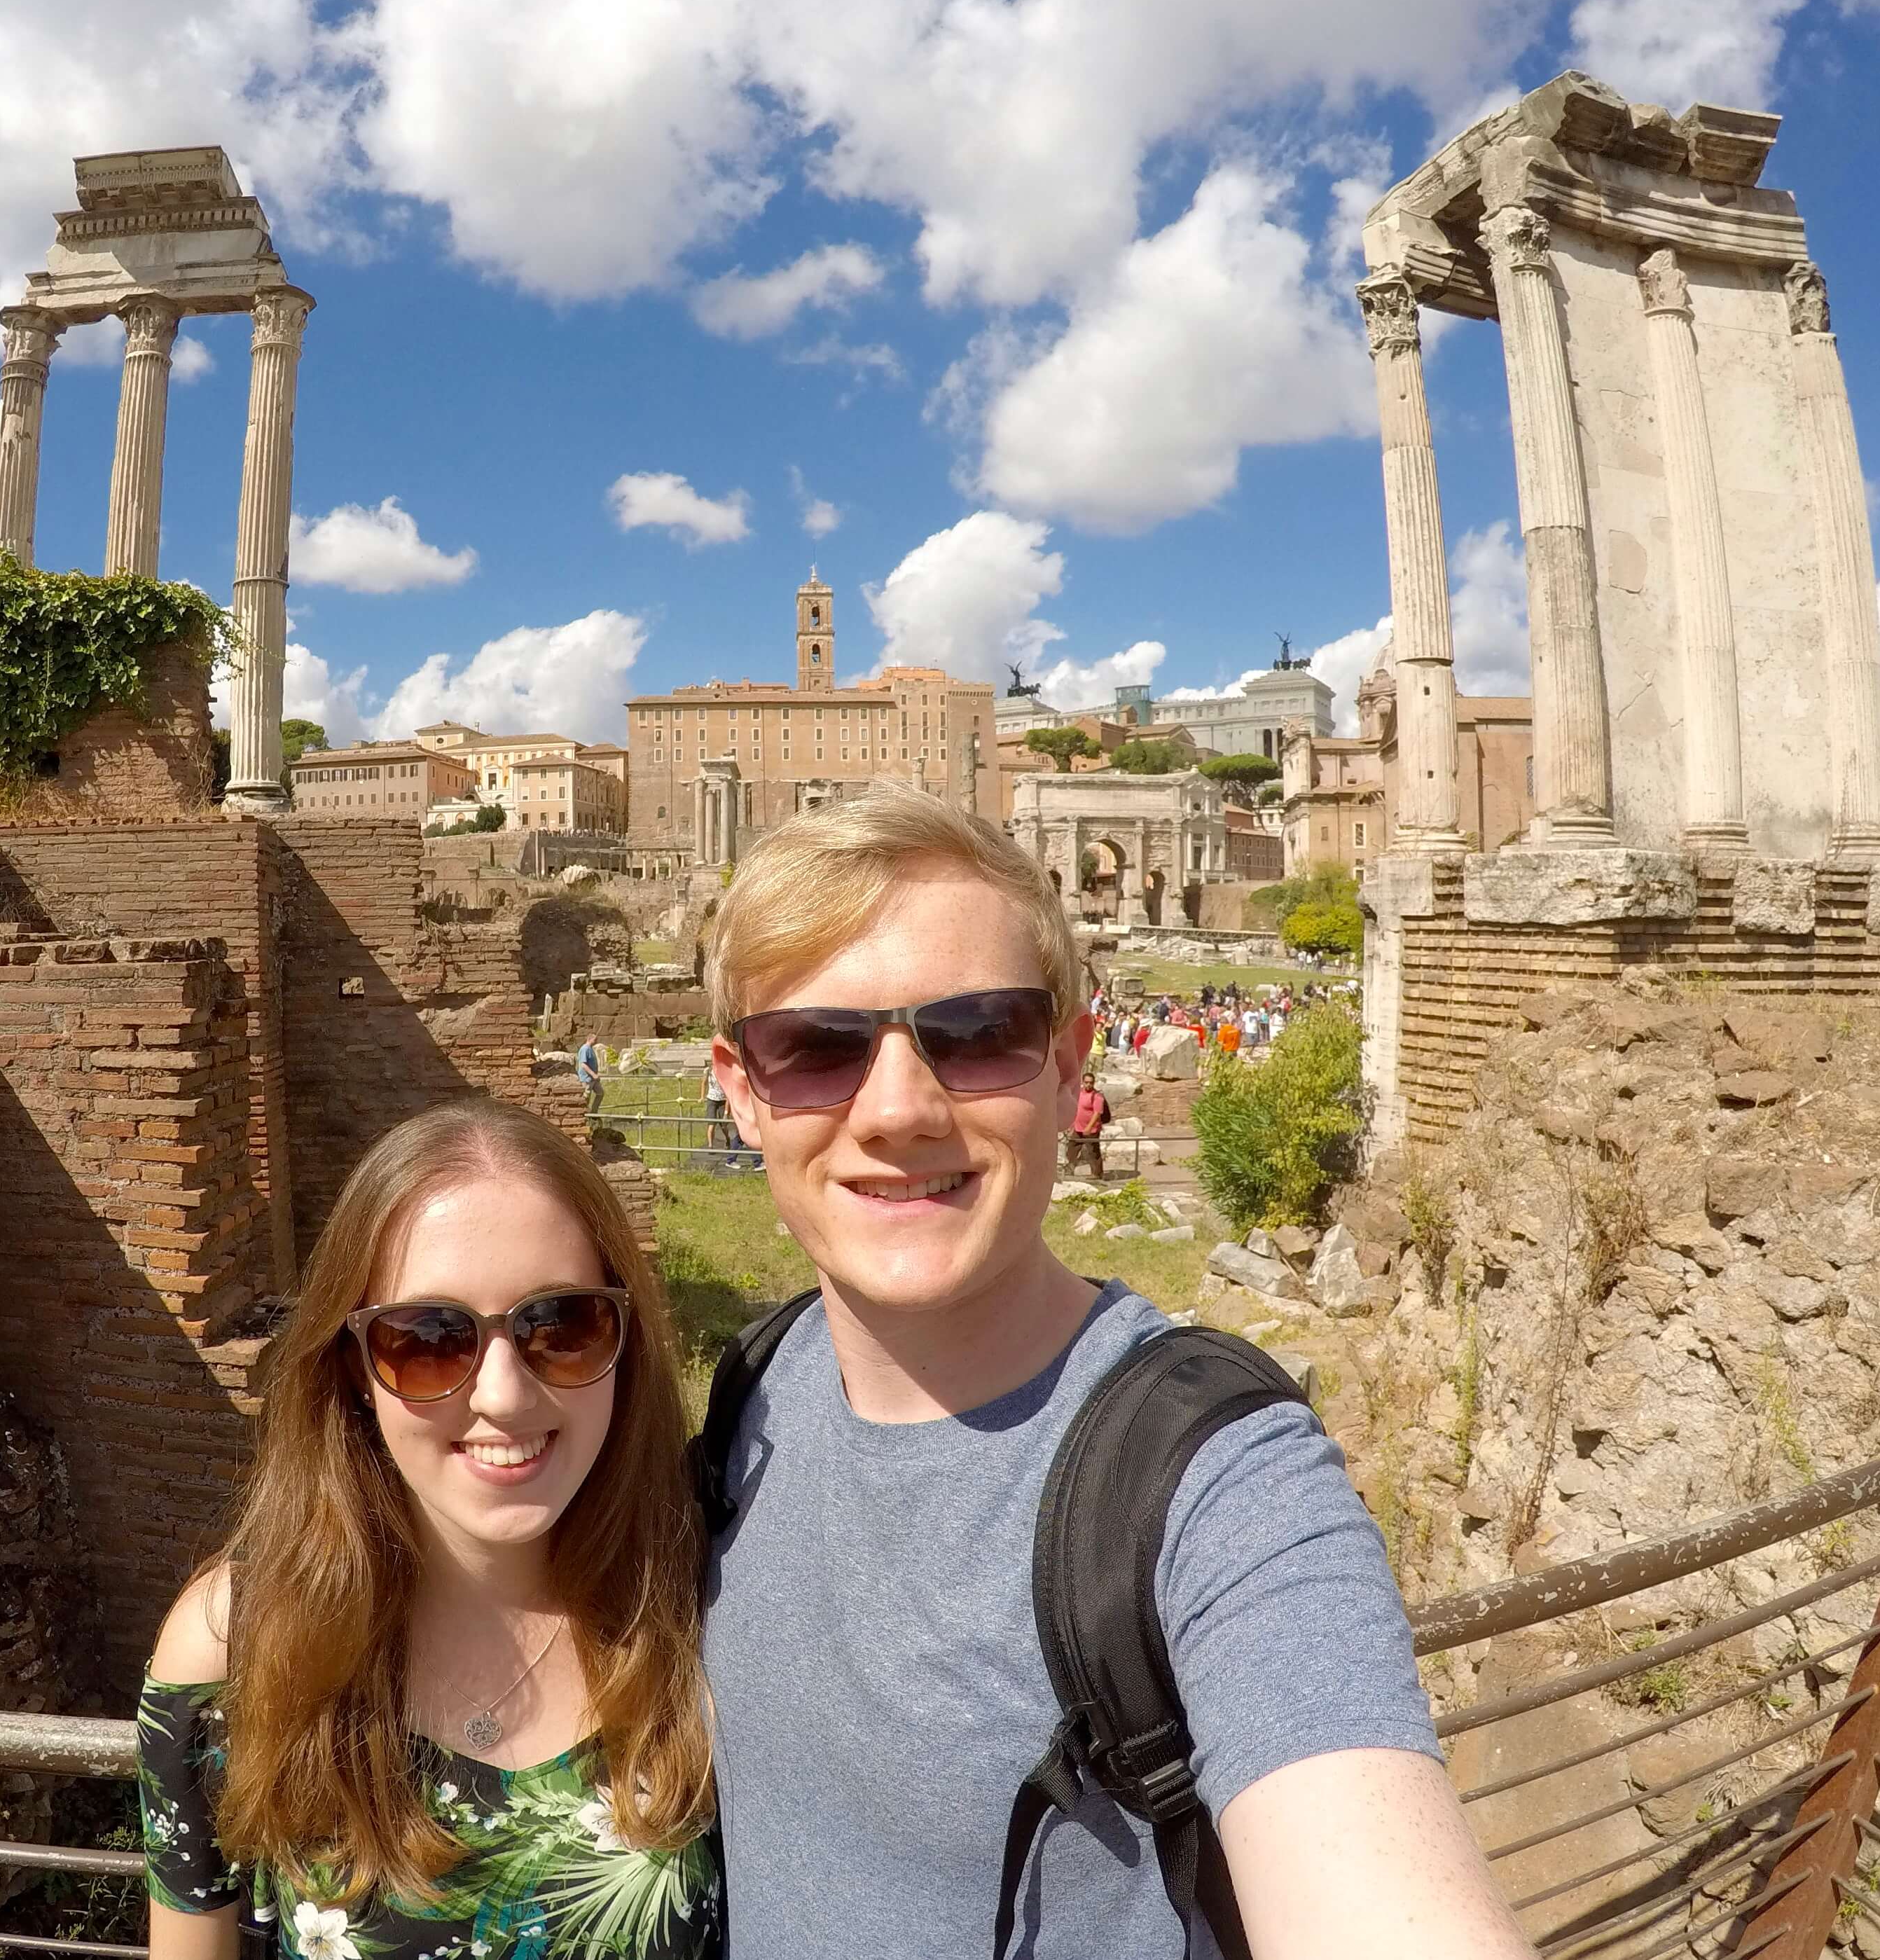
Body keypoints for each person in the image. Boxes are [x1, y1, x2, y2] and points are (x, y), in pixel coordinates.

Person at [698, 787, 1530, 1960]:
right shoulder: (753, 1389)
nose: (897, 1108)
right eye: (816, 1048)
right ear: (740, 1089)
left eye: (977, 1030)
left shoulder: (1221, 1486)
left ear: (1066, 1067)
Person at [139, 1100, 719, 1959]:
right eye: (429, 1339)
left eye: (559, 1326)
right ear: (353, 1372)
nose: (502, 1395)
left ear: (624, 1342)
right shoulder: (233, 1649)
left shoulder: (710, 1605)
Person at [1066, 1070, 1107, 1179]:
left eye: (1091, 1083)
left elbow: (1097, 1113)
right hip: (1078, 1127)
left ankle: (1097, 1173)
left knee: (1093, 1152)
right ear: (1083, 1082)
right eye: (1087, 1082)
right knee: (1072, 1148)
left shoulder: (1097, 1096)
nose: (1088, 1085)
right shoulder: (1079, 1093)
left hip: (1092, 1129)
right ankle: (1070, 1169)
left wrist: (1089, 1127)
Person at [575, 1032, 605, 1116]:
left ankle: (594, 1113)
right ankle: (584, 1115)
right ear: (590, 1039)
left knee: (600, 1093)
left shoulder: (591, 1048)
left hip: (593, 1078)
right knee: (586, 1096)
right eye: (595, 1040)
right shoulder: (585, 1049)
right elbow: (583, 1065)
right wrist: (593, 1074)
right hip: (587, 1078)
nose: (596, 1041)